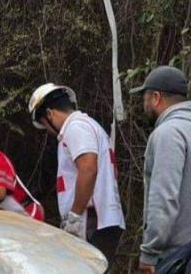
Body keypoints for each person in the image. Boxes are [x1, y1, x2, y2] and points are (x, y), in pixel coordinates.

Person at [130, 66, 191, 274]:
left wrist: (149, 253)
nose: (143, 104)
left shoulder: (168, 133)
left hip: (179, 256)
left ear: (156, 97)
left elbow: (163, 198)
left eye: (145, 98)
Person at [28, 83, 125, 265]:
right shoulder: (91, 126)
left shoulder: (75, 127)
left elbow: (88, 168)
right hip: (104, 220)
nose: (48, 132)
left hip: (93, 221)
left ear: (50, 114)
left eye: (44, 125)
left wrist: (75, 215)